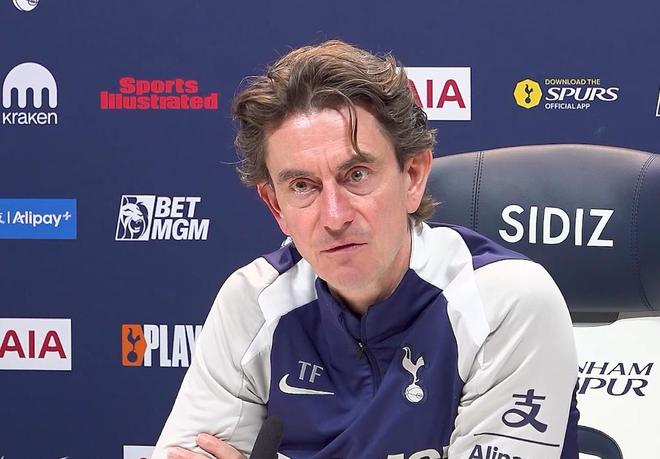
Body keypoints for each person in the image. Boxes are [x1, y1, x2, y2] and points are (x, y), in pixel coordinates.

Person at [152, 40, 579, 459]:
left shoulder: (505, 300)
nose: (334, 217)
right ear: (276, 205)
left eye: (356, 175)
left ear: (413, 175)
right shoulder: (253, 302)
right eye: (302, 186)